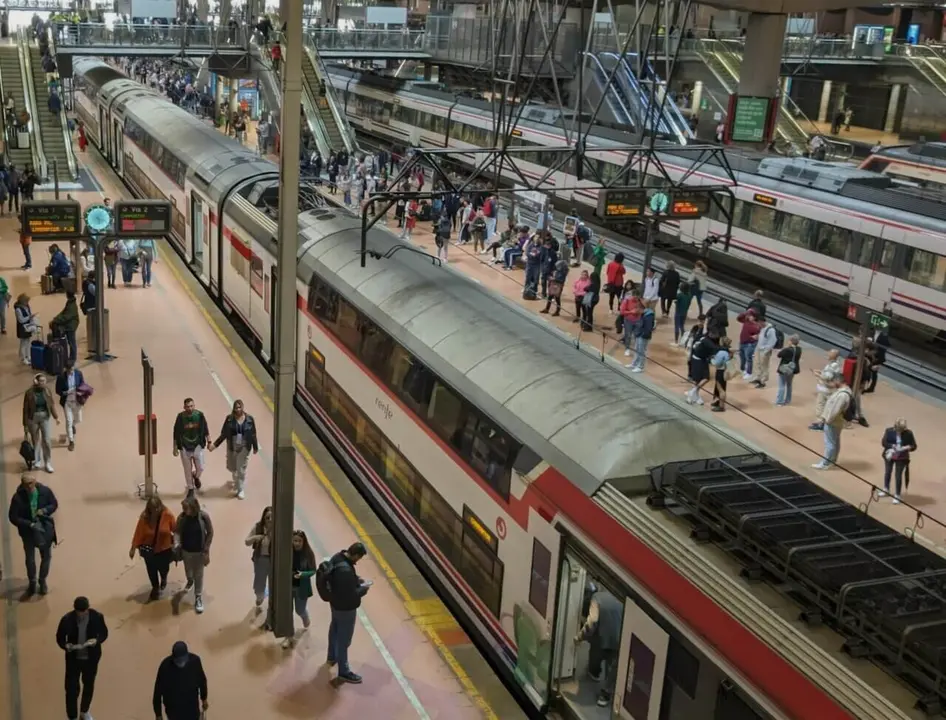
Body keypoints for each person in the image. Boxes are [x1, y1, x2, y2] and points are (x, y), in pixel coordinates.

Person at [324, 542, 370, 684]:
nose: (358, 561)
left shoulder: (338, 557)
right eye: (359, 558)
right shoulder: (345, 571)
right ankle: (344, 672)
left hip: (335, 604)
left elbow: (341, 582)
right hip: (346, 608)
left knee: (335, 629)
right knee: (344, 640)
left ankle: (332, 656)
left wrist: (355, 580)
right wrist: (364, 589)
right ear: (356, 555)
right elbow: (351, 594)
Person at [56, 596, 108, 720]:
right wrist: (65, 645)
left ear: (87, 609)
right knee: (71, 689)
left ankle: (84, 711)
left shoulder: (97, 617)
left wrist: (96, 640)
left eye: (83, 612)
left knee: (89, 685)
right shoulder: (67, 619)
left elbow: (104, 633)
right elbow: (60, 637)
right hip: (73, 660)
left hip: (91, 660)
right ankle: (72, 716)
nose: (81, 615)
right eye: (79, 613)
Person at [8, 473, 58, 596]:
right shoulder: (17, 498)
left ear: (35, 482)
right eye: (25, 484)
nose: (28, 486)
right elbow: (13, 517)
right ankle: (32, 581)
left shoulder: (45, 492)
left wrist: (45, 510)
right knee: (30, 559)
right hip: (28, 533)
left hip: (43, 529)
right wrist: (29, 524)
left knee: (46, 557)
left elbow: (54, 504)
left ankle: (42, 580)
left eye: (30, 483)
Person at [575, 588, 622, 708]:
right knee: (613, 668)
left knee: (595, 658)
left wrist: (580, 637)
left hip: (601, 639)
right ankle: (606, 694)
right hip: (619, 640)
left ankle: (594, 673)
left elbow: (592, 621)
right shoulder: (620, 597)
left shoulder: (596, 598)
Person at [130, 494, 177, 601]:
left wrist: (178, 543)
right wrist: (133, 548)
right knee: (151, 570)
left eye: (157, 508)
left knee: (164, 568)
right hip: (149, 549)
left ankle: (164, 578)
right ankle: (155, 588)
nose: (155, 510)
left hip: (164, 549)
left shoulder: (168, 515)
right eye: (152, 508)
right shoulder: (144, 517)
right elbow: (139, 532)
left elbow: (175, 529)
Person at [210, 399, 259, 500]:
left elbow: (253, 434)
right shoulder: (229, 419)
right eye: (236, 407)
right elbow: (223, 434)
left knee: (241, 468)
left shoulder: (250, 419)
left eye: (240, 407)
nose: (238, 409)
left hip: (245, 446)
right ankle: (235, 478)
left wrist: (255, 447)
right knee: (232, 467)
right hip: (232, 446)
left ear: (243, 407)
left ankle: (240, 489)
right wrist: (215, 445)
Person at [174, 495, 213, 615]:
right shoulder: (181, 518)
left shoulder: (204, 517)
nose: (184, 511)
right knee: (188, 571)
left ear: (193, 507)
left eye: (186, 508)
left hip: (199, 552)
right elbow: (177, 532)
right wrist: (176, 543)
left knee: (199, 575)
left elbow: (210, 532)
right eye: (183, 508)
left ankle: (198, 597)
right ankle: (189, 580)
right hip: (186, 551)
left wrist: (206, 548)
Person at [152, 641, 209, 720]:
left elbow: (202, 681)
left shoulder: (195, 661)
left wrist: (204, 698)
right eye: (178, 660)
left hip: (191, 709)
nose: (180, 663)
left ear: (187, 655)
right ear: (173, 657)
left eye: (182, 660)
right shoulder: (165, 666)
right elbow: (157, 691)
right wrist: (158, 714)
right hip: (174, 711)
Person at [282, 530, 318, 648]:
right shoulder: (288, 552)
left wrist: (303, 574)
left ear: (304, 542)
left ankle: (305, 616)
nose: (296, 543)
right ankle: (289, 636)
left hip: (301, 587)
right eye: (295, 540)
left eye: (299, 541)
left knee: (299, 609)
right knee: (288, 612)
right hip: (289, 586)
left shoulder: (308, 554)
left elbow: (313, 570)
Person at [813, 378, 853, 470]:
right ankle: (832, 460)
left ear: (839, 381)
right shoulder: (844, 391)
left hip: (833, 422)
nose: (833, 383)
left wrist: (827, 420)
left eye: (834, 381)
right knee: (835, 441)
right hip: (837, 421)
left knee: (830, 443)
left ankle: (825, 463)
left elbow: (835, 410)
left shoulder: (842, 395)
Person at [23, 373, 60, 473]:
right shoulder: (29, 393)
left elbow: (51, 405)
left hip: (45, 417)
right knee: (36, 441)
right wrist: (25, 425)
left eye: (44, 381)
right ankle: (38, 460)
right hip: (33, 418)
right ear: (36, 381)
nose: (43, 383)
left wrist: (56, 417)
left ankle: (47, 462)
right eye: (41, 381)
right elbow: (25, 410)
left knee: (47, 440)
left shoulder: (47, 391)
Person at [172, 397, 211, 493]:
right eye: (187, 406)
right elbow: (176, 433)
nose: (189, 408)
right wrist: (175, 447)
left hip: (197, 445)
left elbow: (206, 429)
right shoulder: (180, 417)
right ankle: (190, 488)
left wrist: (209, 442)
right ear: (184, 407)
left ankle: (196, 476)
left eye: (191, 406)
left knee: (200, 467)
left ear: (194, 406)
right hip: (184, 446)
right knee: (187, 469)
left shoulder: (200, 415)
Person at [880, 418, 917, 503]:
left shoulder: (908, 433)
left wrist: (907, 447)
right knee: (888, 472)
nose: (901, 431)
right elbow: (884, 442)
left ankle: (897, 495)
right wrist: (892, 446)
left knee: (898, 476)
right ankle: (886, 489)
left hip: (902, 457)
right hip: (890, 455)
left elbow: (914, 445)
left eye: (902, 429)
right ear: (895, 427)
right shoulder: (889, 431)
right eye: (899, 429)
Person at [246, 506, 273, 616]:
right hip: (261, 559)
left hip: (273, 560)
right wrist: (256, 538)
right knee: (259, 582)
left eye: (272, 517)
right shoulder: (258, 527)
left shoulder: (278, 529)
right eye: (267, 518)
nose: (270, 520)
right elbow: (247, 541)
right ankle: (260, 595)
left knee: (274, 582)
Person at [55, 360, 86, 451]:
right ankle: (71, 441)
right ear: (66, 369)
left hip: (77, 400)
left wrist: (81, 391)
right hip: (67, 402)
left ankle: (73, 425)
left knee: (78, 419)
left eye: (72, 370)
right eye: (69, 371)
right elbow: (58, 390)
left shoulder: (78, 374)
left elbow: (82, 384)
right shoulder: (61, 377)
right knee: (68, 421)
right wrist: (65, 392)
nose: (71, 372)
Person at [808, 349, 842, 431]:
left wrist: (818, 375)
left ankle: (820, 424)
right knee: (823, 406)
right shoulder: (833, 364)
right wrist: (820, 372)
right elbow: (828, 373)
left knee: (821, 406)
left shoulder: (833, 365)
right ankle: (821, 422)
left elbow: (828, 376)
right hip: (827, 389)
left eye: (829, 353)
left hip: (826, 389)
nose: (828, 354)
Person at [52, 290, 80, 366]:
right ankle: (66, 357)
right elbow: (63, 312)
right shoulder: (70, 302)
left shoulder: (71, 305)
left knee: (71, 342)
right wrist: (56, 318)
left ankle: (73, 358)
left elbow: (66, 316)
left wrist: (56, 320)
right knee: (69, 341)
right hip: (68, 325)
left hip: (70, 326)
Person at [627, 300, 655, 373]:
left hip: (643, 336)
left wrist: (643, 334)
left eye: (638, 309)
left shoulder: (649, 315)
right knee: (637, 349)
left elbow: (648, 328)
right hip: (639, 334)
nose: (636, 311)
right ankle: (634, 363)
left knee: (641, 351)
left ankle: (640, 366)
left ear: (642, 308)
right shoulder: (644, 314)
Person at [750, 320, 779, 389]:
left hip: (764, 351)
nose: (757, 325)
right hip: (759, 348)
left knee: (764, 366)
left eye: (758, 323)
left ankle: (763, 381)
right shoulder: (762, 328)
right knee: (757, 364)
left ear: (762, 322)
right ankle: (757, 378)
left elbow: (773, 341)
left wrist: (766, 351)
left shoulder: (771, 330)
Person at [775, 335, 802, 406]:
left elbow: (779, 355)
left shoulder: (787, 349)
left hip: (784, 369)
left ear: (791, 341)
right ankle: (788, 400)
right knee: (789, 385)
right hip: (792, 370)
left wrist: (783, 349)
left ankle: (779, 401)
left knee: (782, 385)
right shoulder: (799, 349)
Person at [14, 293, 36, 364]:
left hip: (28, 326)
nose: (27, 303)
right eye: (26, 301)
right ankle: (23, 358)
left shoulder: (27, 306)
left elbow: (29, 314)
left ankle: (28, 356)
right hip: (22, 327)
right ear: (22, 301)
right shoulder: (18, 309)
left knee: (28, 341)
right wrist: (29, 317)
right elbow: (21, 320)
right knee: (23, 342)